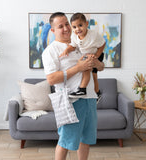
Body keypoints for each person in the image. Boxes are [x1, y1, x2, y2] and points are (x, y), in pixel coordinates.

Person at [42, 12, 104, 160]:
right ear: (53, 30)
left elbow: (100, 67)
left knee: (86, 140)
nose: (65, 28)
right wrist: (78, 68)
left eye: (66, 24)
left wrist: (97, 64)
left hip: (90, 99)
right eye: (60, 26)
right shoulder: (51, 51)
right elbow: (51, 79)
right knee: (66, 141)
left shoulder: (79, 42)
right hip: (71, 101)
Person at [59, 13, 106, 101]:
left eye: (80, 25)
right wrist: (67, 50)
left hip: (96, 54)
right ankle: (97, 92)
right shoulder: (74, 36)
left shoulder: (93, 35)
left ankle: (82, 89)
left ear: (86, 24)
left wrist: (96, 56)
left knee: (86, 69)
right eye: (74, 27)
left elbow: (102, 44)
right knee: (94, 76)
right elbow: (73, 46)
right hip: (88, 55)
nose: (78, 29)